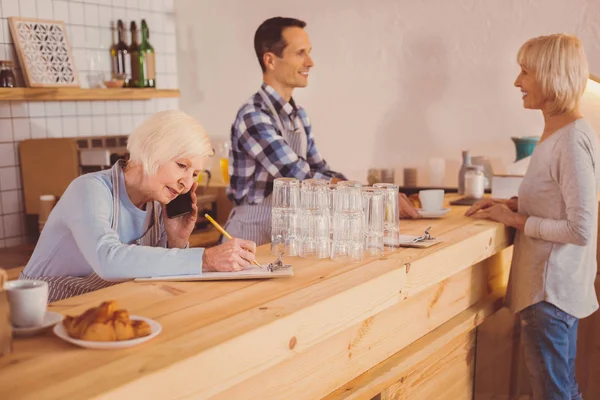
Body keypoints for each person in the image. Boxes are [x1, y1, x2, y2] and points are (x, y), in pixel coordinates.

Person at [466, 34, 599, 400]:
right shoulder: (559, 131)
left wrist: (517, 222)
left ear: (552, 76)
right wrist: (512, 207)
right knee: (562, 391)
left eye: (525, 72)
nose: (517, 82)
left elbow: (580, 228)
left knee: (554, 395)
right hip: (552, 291)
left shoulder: (571, 139)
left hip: (549, 293)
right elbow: (556, 200)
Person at [21, 110, 257, 303]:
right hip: (44, 311)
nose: (187, 183)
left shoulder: (157, 204)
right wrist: (205, 259)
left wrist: (176, 241)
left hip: (101, 308)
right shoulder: (89, 189)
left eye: (194, 173)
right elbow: (108, 260)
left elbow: (158, 275)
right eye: (181, 165)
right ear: (152, 150)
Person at [224, 17, 418, 245]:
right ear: (270, 60)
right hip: (250, 233)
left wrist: (366, 192)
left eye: (309, 52)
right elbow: (298, 175)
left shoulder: (299, 115)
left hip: (285, 230)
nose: (310, 62)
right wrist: (369, 195)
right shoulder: (254, 115)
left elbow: (318, 168)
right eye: (300, 53)